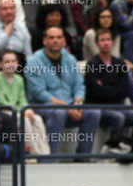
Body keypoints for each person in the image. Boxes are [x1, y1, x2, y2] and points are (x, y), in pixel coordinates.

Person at [24, 25, 101, 155]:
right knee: (59, 113)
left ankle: (83, 158)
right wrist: (67, 107)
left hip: (68, 106)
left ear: (64, 40)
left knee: (94, 112)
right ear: (44, 41)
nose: (55, 40)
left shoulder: (70, 59)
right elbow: (38, 92)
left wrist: (77, 103)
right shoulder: (34, 62)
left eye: (59, 37)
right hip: (41, 106)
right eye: (51, 37)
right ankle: (49, 159)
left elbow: (79, 84)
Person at [0, 49, 50, 155]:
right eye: (7, 62)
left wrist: (28, 110)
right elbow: (1, 101)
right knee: (24, 120)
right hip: (4, 111)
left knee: (37, 119)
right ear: (0, 64)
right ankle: (34, 153)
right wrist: (22, 111)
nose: (11, 64)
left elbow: (22, 99)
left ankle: (45, 153)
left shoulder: (19, 79)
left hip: (18, 111)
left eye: (13, 61)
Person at [85, 29, 133, 138]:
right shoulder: (92, 64)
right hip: (98, 107)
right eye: (102, 40)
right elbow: (95, 92)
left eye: (108, 40)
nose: (105, 43)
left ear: (112, 42)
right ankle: (112, 147)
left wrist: (104, 86)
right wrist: (115, 88)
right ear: (97, 43)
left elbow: (124, 89)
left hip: (118, 105)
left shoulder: (120, 64)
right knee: (118, 117)